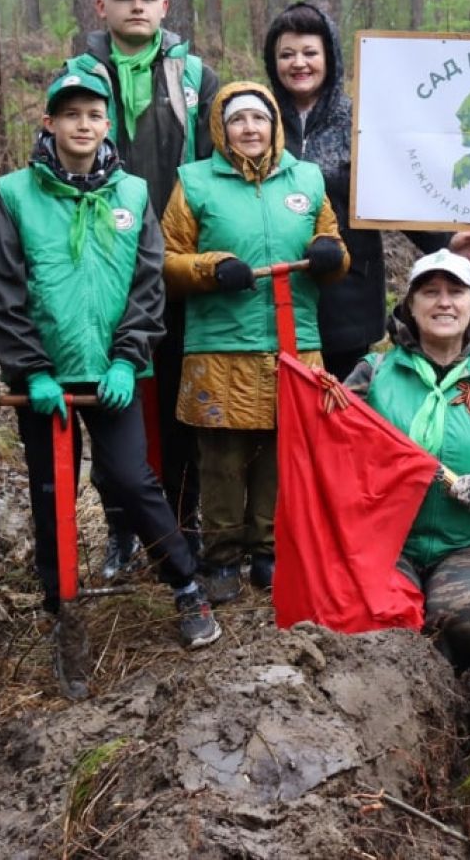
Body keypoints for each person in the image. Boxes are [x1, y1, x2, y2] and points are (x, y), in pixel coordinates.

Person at [0, 70, 220, 671]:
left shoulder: (134, 194)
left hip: (113, 374)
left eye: (92, 115)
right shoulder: (14, 194)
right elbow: (1, 289)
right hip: (44, 382)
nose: (82, 125)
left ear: (107, 123)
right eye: (70, 115)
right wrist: (30, 370)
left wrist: (127, 356)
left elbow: (146, 285)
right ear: (49, 122)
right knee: (49, 491)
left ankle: (185, 586)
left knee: (133, 480)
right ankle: (59, 606)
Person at [63, 0, 222, 576]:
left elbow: (217, 165)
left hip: (179, 269)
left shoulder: (195, 77)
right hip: (101, 271)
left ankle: (183, 529)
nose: (135, 4)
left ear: (164, 6)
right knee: (112, 404)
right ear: (100, 6)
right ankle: (121, 529)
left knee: (181, 409)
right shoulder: (78, 75)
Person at [161, 82, 351, 604]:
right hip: (220, 343)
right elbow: (168, 261)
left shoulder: (306, 178)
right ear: (222, 129)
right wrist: (211, 267)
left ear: (274, 125)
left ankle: (268, 550)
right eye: (238, 120)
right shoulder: (195, 182)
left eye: (259, 119)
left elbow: (330, 239)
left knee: (279, 449)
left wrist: (332, 254)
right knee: (221, 457)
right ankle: (220, 556)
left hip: (295, 339)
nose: (250, 129)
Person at [260, 1, 470, 381]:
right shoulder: (258, 120)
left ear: (330, 57)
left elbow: (396, 190)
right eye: (287, 54)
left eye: (309, 52)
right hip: (277, 292)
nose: (298, 63)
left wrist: (445, 240)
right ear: (273, 63)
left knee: (340, 407)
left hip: (347, 293)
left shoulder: (361, 120)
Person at [344, 250, 470, 671]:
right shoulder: (374, 372)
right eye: (430, 292)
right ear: (410, 306)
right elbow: (334, 447)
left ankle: (456, 673)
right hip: (388, 539)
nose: (444, 302)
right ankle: (417, 660)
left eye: (456, 291)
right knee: (378, 626)